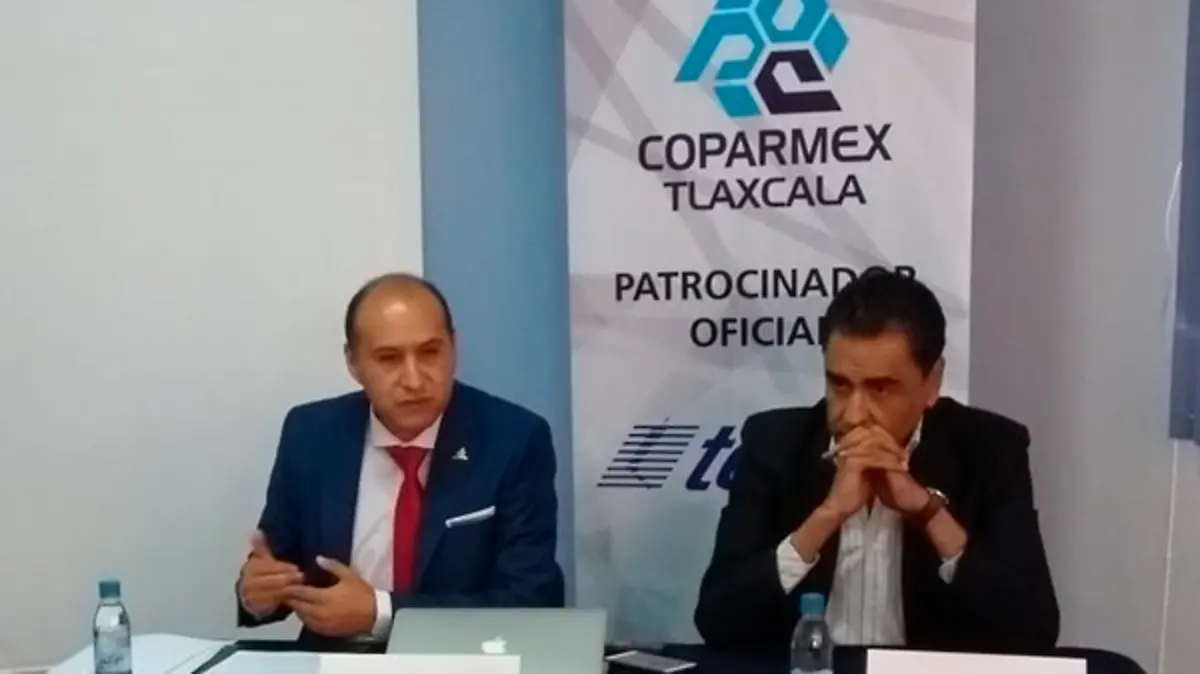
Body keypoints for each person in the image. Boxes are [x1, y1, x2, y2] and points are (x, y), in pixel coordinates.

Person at [694, 269, 1059, 654]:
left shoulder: (989, 450)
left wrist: (927, 511)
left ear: (932, 383)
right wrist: (827, 516)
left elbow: (1033, 631)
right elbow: (718, 622)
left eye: (880, 388)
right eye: (839, 385)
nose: (854, 415)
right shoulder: (775, 445)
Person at [236, 273, 564, 648]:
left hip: (460, 660)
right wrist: (257, 593)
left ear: (454, 348)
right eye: (389, 358)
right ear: (353, 363)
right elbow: (279, 566)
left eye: (430, 352)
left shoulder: (514, 439)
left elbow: (529, 602)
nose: (414, 380)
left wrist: (380, 612)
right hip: (334, 660)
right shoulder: (310, 434)